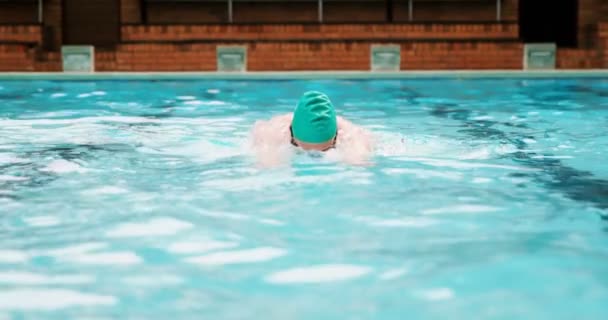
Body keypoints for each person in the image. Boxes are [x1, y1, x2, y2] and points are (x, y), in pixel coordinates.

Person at [250, 91, 373, 166]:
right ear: (291, 135)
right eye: (303, 149)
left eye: (326, 149)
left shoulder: (352, 136)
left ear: (337, 136)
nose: (315, 155)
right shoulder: (271, 133)